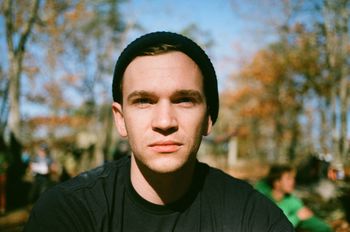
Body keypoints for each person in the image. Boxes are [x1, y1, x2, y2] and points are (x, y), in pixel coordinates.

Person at [24, 31, 293, 231]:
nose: (164, 122)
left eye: (184, 100)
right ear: (120, 119)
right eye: (143, 101)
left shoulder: (250, 216)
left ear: (209, 117)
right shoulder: (68, 213)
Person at [255, 164, 332, 232]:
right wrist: (297, 217)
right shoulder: (263, 202)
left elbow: (316, 224)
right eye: (288, 178)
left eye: (293, 178)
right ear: (277, 183)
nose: (293, 181)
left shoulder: (291, 201)